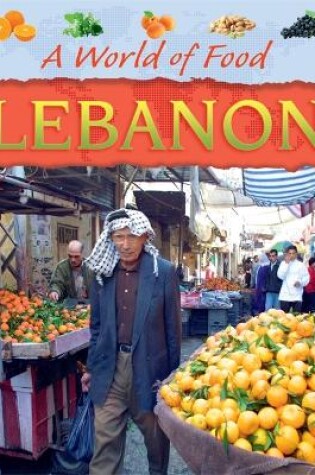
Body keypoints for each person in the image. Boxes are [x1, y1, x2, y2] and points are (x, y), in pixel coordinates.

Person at [81, 207, 181, 475]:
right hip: (110, 368)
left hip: (150, 370)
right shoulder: (102, 273)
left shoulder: (164, 272)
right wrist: (91, 367)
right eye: (118, 237)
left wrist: (174, 378)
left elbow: (173, 331)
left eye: (131, 236)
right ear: (110, 239)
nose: (125, 244)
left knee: (155, 439)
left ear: (144, 237)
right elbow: (97, 326)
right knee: (104, 442)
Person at [277, 245, 310, 313]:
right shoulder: (283, 263)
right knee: (284, 318)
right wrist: (286, 264)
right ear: (287, 254)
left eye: (293, 253)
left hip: (297, 296)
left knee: (296, 318)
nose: (291, 255)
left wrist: (300, 282)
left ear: (296, 254)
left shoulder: (301, 265)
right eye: (290, 253)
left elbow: (306, 278)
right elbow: (280, 276)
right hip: (285, 296)